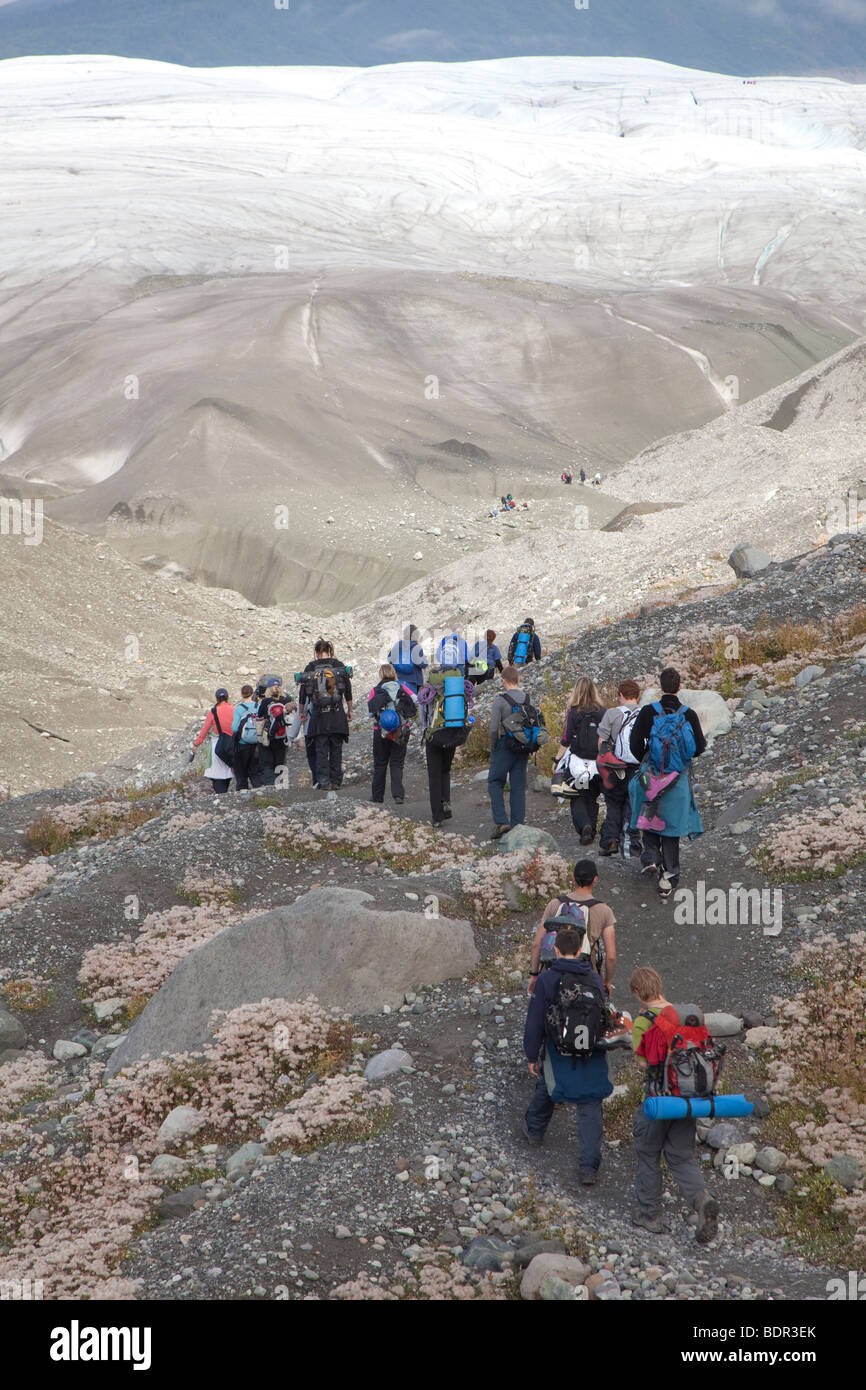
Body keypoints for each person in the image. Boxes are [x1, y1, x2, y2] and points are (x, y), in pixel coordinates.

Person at [629, 966, 719, 1242]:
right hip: (688, 1100)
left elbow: (645, 1061)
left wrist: (632, 1035)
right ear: (659, 986)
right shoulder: (682, 1017)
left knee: (648, 1151)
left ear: (637, 993)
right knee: (681, 1155)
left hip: (659, 1101)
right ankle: (701, 1199)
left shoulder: (646, 1020)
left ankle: (649, 1215)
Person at [522, 927, 613, 1184]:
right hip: (590, 1050)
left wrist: (531, 1054)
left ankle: (534, 1131)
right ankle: (589, 1168)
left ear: (557, 950)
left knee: (551, 1084)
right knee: (590, 1103)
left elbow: (535, 1021)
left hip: (557, 1046)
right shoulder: (594, 979)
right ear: (582, 948)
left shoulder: (548, 978)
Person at [628, 667, 705, 898]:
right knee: (672, 827)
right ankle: (668, 877)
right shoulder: (688, 714)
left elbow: (633, 743)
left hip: (652, 774)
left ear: (660, 687)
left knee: (650, 815)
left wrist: (648, 758)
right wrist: (679, 758)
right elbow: (699, 747)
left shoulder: (648, 711)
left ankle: (650, 857)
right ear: (679, 686)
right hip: (677, 779)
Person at [528, 859, 616, 996]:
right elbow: (611, 956)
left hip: (552, 971)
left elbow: (537, 944)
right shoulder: (604, 910)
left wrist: (534, 975)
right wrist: (607, 981)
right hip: (585, 974)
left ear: (573, 878)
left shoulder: (554, 904)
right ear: (595, 880)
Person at [597, 678, 643, 858]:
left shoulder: (612, 714)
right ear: (637, 695)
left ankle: (610, 841)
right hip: (638, 768)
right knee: (632, 806)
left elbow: (601, 743)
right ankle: (632, 846)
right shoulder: (645, 713)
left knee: (613, 803)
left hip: (616, 767)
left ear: (621, 695)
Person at [300, 640, 353, 791]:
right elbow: (347, 690)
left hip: (318, 716)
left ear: (316, 652)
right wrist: (349, 709)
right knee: (336, 749)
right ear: (330, 651)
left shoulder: (311, 667)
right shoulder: (339, 666)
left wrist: (302, 712)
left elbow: (303, 693)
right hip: (337, 714)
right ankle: (336, 781)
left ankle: (323, 781)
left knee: (321, 750)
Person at [487, 664, 532, 839]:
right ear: (518, 679)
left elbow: (493, 729)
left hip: (505, 744)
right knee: (518, 786)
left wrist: (494, 747)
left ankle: (501, 821)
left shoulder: (500, 700)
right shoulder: (528, 699)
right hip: (524, 746)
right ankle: (518, 824)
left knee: (495, 781)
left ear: (503, 680)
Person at [561, 676, 606, 845]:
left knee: (579, 796)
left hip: (579, 763)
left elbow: (566, 738)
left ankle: (585, 826)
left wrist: (557, 759)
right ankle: (592, 829)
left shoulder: (574, 712)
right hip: (597, 764)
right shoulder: (602, 711)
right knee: (592, 797)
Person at [368, 663, 417, 805]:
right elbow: (416, 700)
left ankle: (377, 796)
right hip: (401, 730)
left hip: (381, 731)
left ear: (381, 674)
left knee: (380, 764)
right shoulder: (402, 687)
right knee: (397, 763)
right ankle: (398, 795)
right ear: (394, 673)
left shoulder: (376, 690)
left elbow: (370, 713)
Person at [191, 688, 235, 794]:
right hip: (232, 744)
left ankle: (221, 796)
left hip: (218, 744)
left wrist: (196, 744)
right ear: (227, 697)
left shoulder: (214, 711)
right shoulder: (234, 709)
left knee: (217, 774)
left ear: (216, 698)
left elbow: (205, 729)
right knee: (229, 770)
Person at [256, 676, 291, 787]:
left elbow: (259, 716)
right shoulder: (286, 700)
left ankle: (270, 785)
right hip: (282, 736)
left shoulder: (265, 701)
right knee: (280, 761)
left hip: (268, 736)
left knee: (267, 762)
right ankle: (281, 784)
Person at [231, 684, 262, 790]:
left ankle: (242, 795)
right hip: (257, 743)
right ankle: (259, 792)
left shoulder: (239, 709)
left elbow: (234, 728)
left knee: (241, 773)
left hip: (242, 745)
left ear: (241, 694)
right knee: (255, 772)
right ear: (252, 693)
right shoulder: (258, 706)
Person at [388, 624, 427, 694]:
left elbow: (390, 659)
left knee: (400, 702)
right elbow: (422, 664)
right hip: (413, 681)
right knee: (412, 702)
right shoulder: (416, 647)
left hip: (398, 680)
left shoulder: (398, 644)